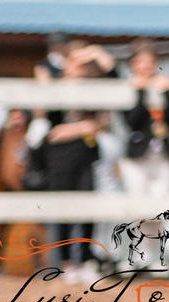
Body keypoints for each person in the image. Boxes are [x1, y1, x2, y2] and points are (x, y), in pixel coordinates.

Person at [30, 43, 112, 279]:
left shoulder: (93, 88)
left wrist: (97, 52)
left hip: (86, 152)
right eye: (77, 62)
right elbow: (51, 129)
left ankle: (85, 259)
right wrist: (82, 127)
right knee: (64, 207)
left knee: (88, 207)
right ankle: (67, 263)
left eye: (85, 64)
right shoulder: (55, 86)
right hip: (59, 155)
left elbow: (113, 78)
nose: (82, 68)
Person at [118, 43, 169, 202]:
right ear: (133, 64)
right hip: (138, 154)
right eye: (141, 62)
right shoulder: (128, 87)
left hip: (162, 153)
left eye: (150, 62)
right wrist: (141, 92)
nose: (145, 67)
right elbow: (131, 122)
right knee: (139, 208)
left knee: (163, 207)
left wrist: (167, 93)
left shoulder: (163, 85)